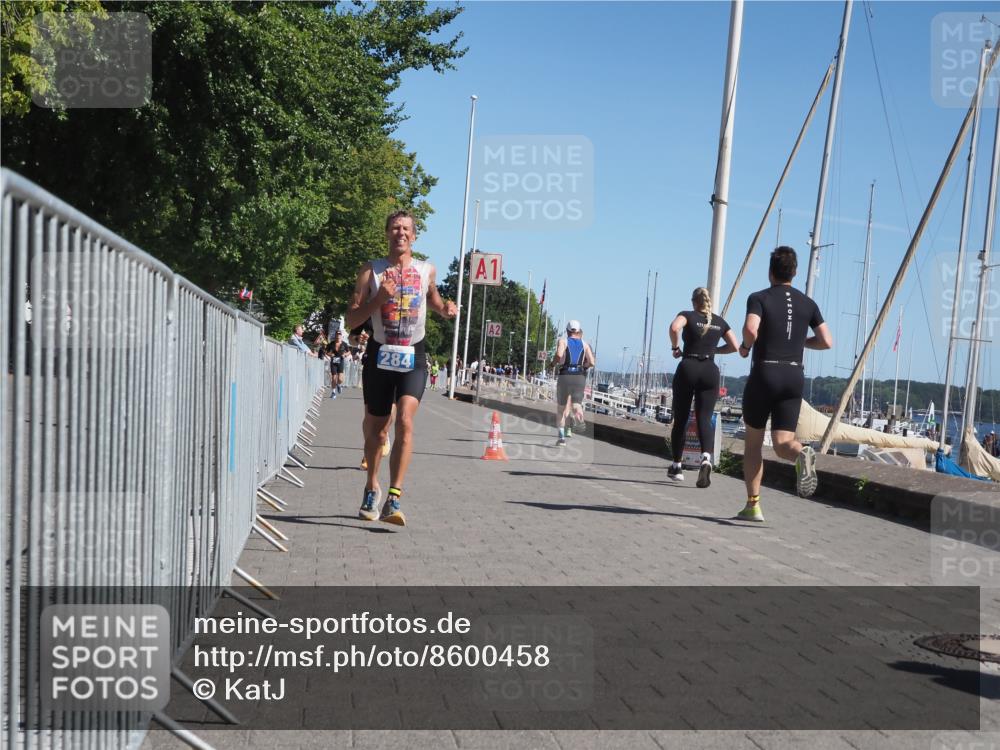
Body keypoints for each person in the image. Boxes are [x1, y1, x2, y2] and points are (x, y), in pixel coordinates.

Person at [345, 210, 457, 526]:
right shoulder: (371, 272)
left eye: (406, 229)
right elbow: (351, 320)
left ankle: (394, 497)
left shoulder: (426, 270)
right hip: (380, 355)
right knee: (377, 429)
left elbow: (433, 300)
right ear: (387, 233)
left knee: (405, 421)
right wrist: (379, 298)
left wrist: (446, 309)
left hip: (413, 356)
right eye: (395, 228)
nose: (401, 233)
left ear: (415, 236)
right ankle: (371, 488)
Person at [736, 246, 832, 521]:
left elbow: (751, 328)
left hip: (765, 373)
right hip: (793, 375)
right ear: (796, 272)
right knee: (782, 443)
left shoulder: (759, 298)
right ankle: (801, 454)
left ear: (770, 271)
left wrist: (744, 346)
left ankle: (753, 505)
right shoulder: (808, 304)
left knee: (753, 444)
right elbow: (827, 341)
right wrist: (801, 342)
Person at [666, 287, 740, 487]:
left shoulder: (687, 315)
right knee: (704, 419)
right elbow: (735, 346)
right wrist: (713, 349)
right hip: (710, 370)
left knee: (681, 419)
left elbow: (674, 328)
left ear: (693, 302)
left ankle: (677, 466)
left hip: (688, 366)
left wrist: (675, 348)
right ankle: (706, 458)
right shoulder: (719, 322)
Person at [554, 320, 595, 447]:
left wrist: (553, 363)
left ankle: (561, 438)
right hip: (579, 377)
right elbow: (592, 362)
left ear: (567, 331)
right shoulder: (585, 344)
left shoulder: (563, 341)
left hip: (565, 375)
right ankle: (579, 417)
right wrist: (584, 367)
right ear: (578, 331)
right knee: (577, 404)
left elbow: (559, 354)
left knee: (561, 409)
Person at [327, 330, 350, 398]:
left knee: (340, 379)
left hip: (341, 361)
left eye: (339, 335)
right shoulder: (331, 344)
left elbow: (349, 352)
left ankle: (339, 385)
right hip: (333, 362)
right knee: (334, 377)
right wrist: (331, 354)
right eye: (337, 334)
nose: (338, 336)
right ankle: (333, 392)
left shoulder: (344, 344)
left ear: (341, 336)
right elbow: (326, 352)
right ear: (335, 335)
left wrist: (345, 355)